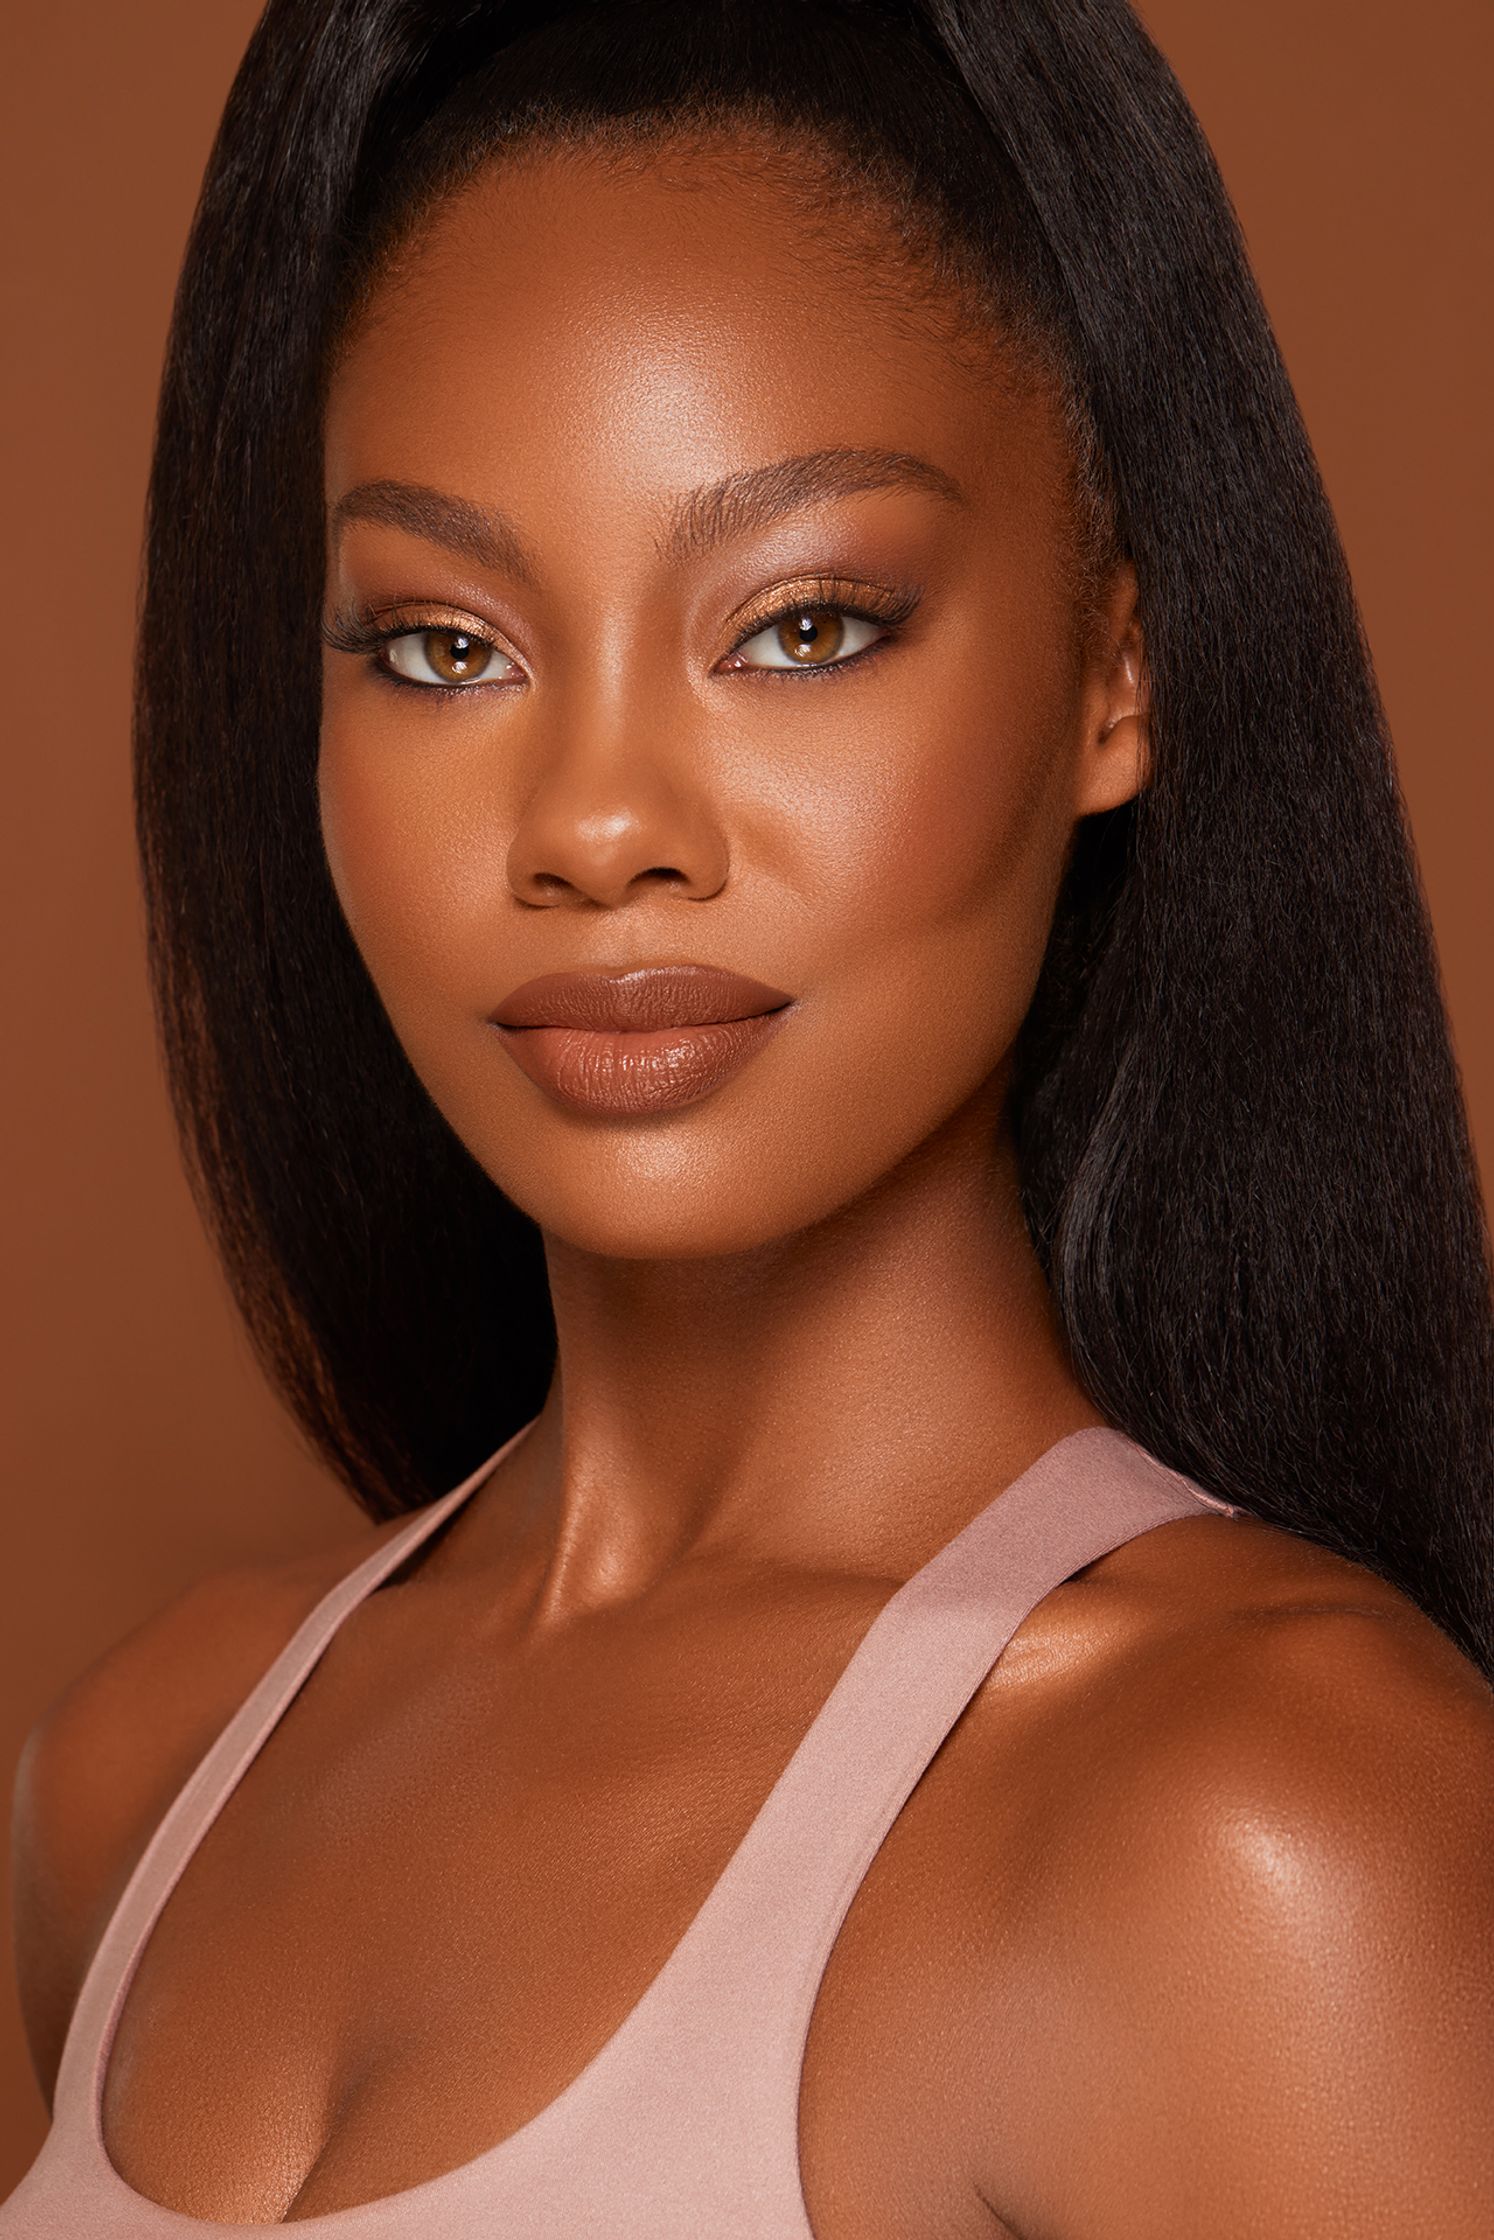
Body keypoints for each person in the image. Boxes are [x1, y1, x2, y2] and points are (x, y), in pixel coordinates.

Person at [4, 0, 1492, 2231]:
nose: (598, 824)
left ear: (1121, 664)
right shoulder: (141, 1778)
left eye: (802, 625)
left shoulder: (1269, 1842)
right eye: (440, 645)